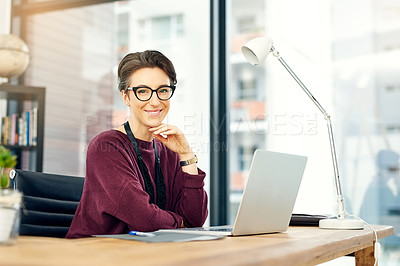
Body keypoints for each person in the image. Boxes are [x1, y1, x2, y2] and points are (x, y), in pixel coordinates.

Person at [66, 50, 208, 238]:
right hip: (96, 255)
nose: (155, 101)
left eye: (163, 90)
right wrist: (180, 222)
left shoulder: (169, 150)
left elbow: (195, 220)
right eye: (143, 91)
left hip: (145, 253)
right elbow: (145, 219)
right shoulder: (106, 147)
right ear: (126, 97)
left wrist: (187, 155)